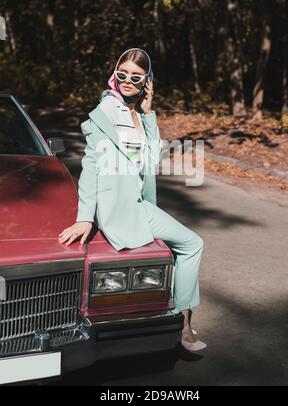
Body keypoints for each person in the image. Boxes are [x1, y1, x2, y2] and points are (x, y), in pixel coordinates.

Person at [58, 47, 206, 353]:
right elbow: (91, 165)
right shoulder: (108, 111)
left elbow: (151, 160)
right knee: (192, 244)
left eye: (135, 77)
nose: (127, 80)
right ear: (114, 75)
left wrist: (149, 113)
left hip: (138, 206)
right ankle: (183, 323)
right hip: (118, 210)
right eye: (122, 74)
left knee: (191, 244)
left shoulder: (137, 115)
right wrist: (85, 216)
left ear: (146, 82)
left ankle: (182, 319)